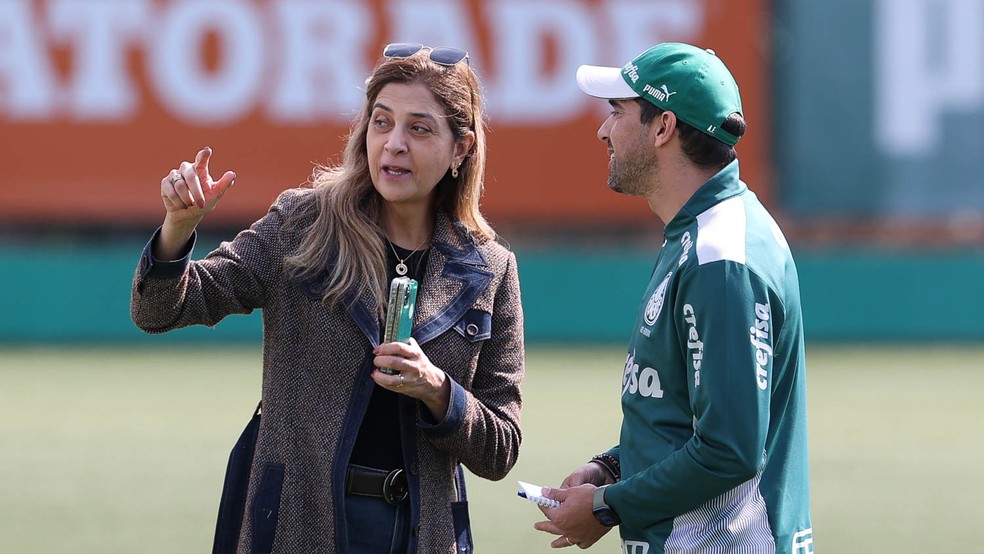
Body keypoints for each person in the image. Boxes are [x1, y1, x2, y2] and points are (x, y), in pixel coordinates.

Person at [130, 43, 525, 554]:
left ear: (461, 149)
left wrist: (436, 389)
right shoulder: (305, 226)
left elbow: (501, 449)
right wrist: (177, 228)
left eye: (419, 128)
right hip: (296, 526)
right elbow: (162, 309)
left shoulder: (491, 268)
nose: (394, 144)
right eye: (381, 123)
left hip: (421, 536)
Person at [533, 43, 813, 553]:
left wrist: (607, 505)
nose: (603, 130)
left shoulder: (720, 258)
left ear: (662, 127)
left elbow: (730, 449)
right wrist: (612, 467)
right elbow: (687, 413)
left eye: (617, 112)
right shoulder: (703, 234)